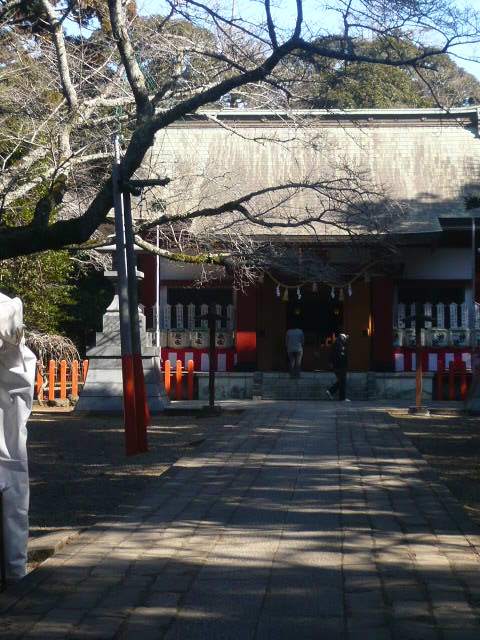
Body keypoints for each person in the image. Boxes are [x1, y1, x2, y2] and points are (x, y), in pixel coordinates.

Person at [0, 292, 36, 582]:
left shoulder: (7, 307)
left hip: (6, 420)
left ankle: (14, 572)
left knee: (11, 485)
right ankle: (14, 572)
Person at [326, 333, 350, 401]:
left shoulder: (336, 343)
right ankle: (340, 397)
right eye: (345, 339)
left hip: (336, 365)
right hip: (340, 366)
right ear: (342, 338)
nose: (345, 340)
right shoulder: (339, 344)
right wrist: (343, 364)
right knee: (342, 381)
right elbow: (340, 356)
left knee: (341, 381)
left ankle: (331, 392)